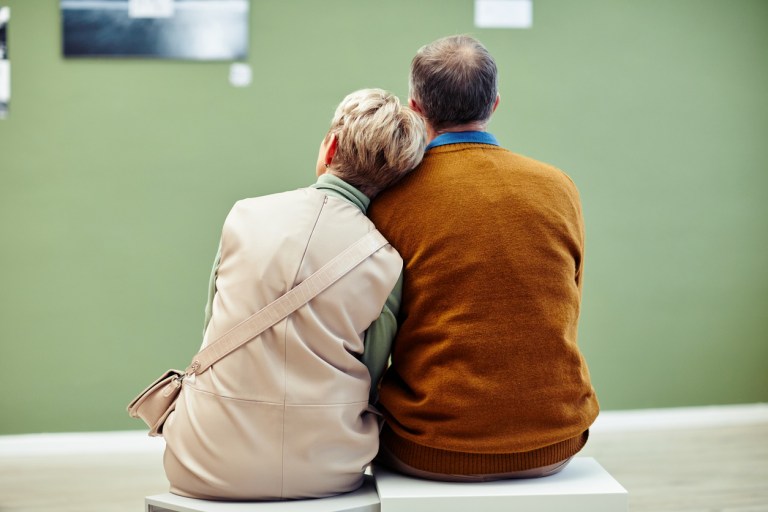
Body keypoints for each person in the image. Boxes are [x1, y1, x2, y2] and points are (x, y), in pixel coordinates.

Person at [161, 88, 426, 500]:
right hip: (328, 468)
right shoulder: (386, 262)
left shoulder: (244, 215)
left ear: (332, 145)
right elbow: (371, 379)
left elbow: (212, 327)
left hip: (204, 460)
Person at [368, 35, 600, 482]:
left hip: (428, 448)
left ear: (415, 107)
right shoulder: (558, 187)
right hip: (555, 442)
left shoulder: (390, 199)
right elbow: (568, 303)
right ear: (494, 103)